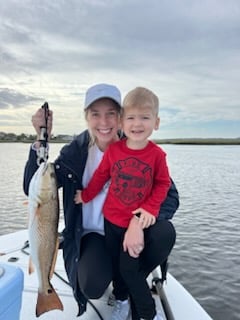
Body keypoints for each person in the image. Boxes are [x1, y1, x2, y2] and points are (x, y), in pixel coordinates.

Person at [23, 83, 178, 319]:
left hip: (129, 229)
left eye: (111, 114)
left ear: (121, 117)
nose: (103, 122)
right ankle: (122, 283)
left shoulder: (141, 148)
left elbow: (170, 196)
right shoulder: (74, 153)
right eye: (95, 114)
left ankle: (129, 287)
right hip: (94, 234)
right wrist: (40, 139)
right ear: (87, 117)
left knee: (164, 233)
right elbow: (33, 187)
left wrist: (138, 221)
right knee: (93, 284)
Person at [74, 87, 171, 320]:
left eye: (145, 118)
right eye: (131, 118)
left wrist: (148, 210)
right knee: (119, 267)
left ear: (156, 123)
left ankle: (148, 312)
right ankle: (121, 300)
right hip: (111, 222)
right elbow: (100, 176)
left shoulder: (157, 155)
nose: (137, 124)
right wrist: (85, 196)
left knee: (129, 268)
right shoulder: (115, 151)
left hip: (134, 225)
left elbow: (163, 185)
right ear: (123, 122)